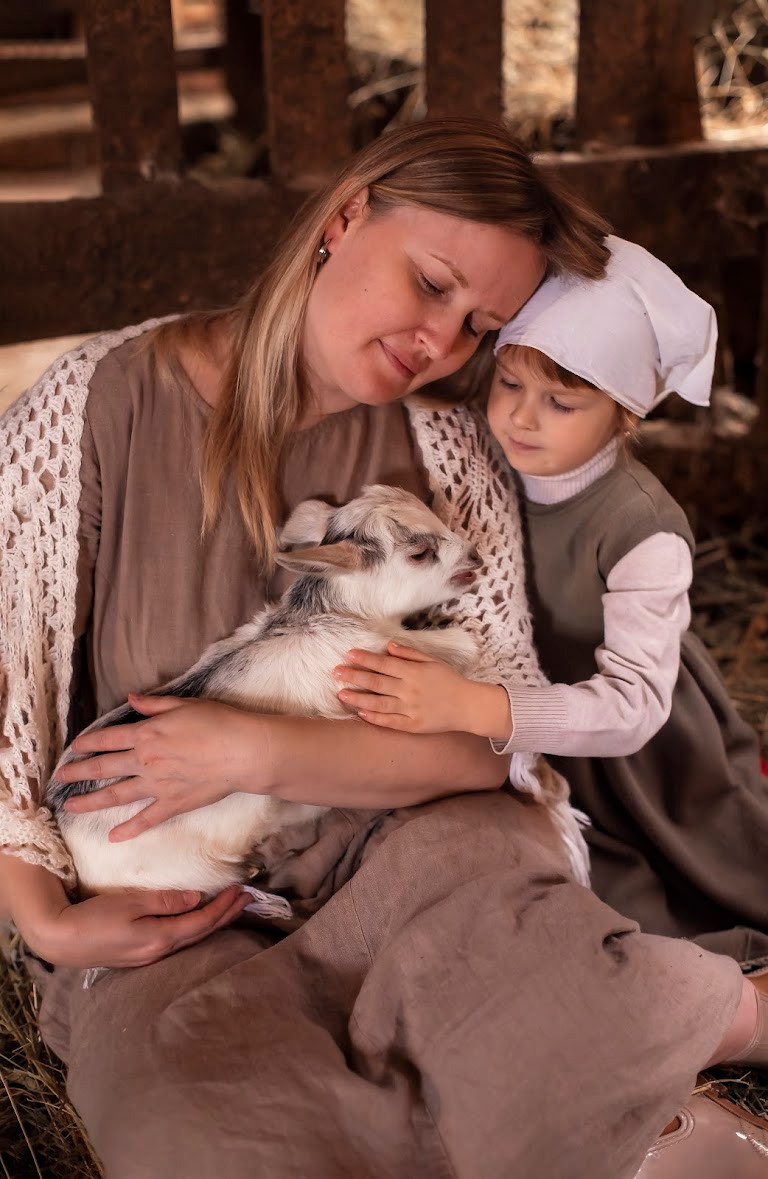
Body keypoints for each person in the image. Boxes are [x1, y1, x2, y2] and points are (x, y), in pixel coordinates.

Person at [0, 123, 764, 1179]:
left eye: (478, 325)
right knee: (199, 1132)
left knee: (522, 967)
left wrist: (253, 753)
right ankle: (648, 1079)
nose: (441, 342)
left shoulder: (447, 454)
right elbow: (9, 728)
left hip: (426, 856)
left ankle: (711, 1031)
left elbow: (488, 747)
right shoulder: (89, 411)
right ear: (348, 215)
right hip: (186, 904)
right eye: (431, 283)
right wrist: (52, 926)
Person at [338, 235, 768, 961]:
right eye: (509, 385)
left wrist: (473, 708)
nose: (522, 419)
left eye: (561, 401)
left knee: (649, 910)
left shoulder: (642, 531)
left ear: (626, 416)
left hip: (636, 760)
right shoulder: (482, 462)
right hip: (526, 729)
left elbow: (634, 705)